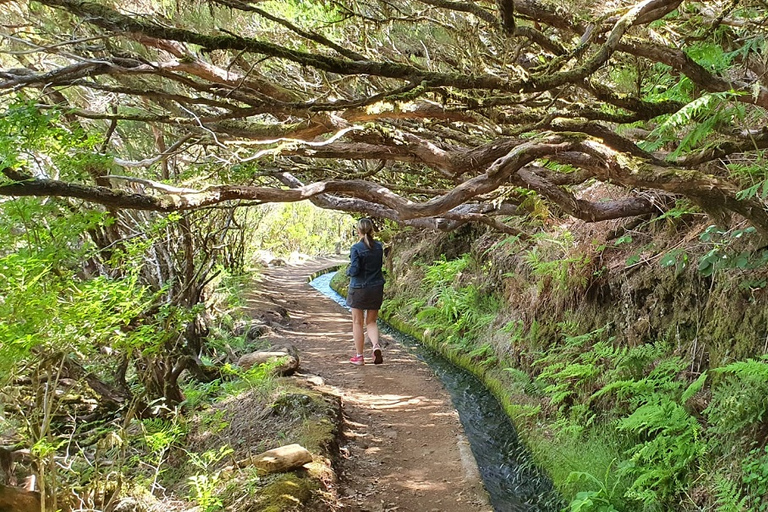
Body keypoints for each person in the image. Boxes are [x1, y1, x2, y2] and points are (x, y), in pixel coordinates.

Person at [346, 218, 385, 365]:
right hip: (376, 288)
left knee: (357, 322)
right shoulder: (379, 247)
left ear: (358, 231)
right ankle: (375, 346)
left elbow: (355, 270)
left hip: (359, 288)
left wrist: (348, 272)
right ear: (372, 230)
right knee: (371, 321)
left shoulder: (356, 248)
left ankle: (359, 357)